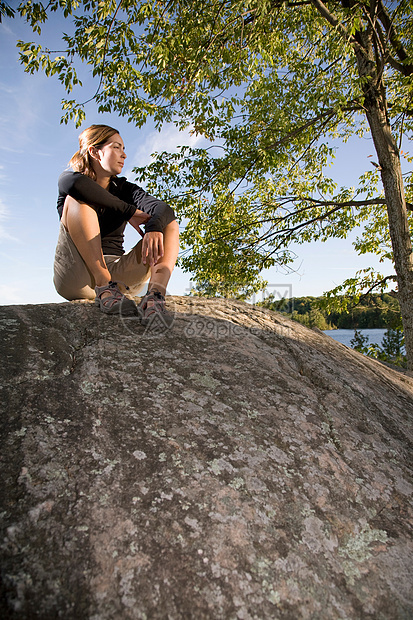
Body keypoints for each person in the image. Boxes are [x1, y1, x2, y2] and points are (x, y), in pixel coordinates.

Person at [53, 124, 179, 325]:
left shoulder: (125, 189)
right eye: (116, 147)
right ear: (95, 151)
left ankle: (154, 298)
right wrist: (129, 211)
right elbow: (75, 185)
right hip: (77, 275)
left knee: (168, 223)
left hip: (120, 277)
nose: (124, 155)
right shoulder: (72, 180)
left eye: (124, 148)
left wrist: (154, 228)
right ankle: (104, 287)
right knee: (76, 199)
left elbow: (163, 209)